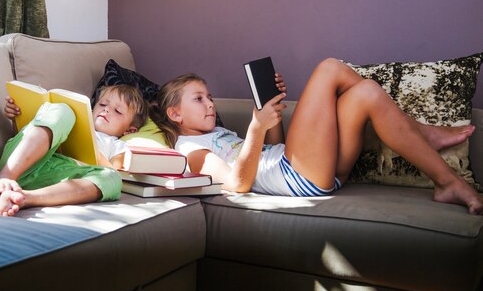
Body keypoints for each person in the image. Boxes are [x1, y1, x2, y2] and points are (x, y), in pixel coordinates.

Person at [151, 58, 483, 215]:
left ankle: (446, 182)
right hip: (298, 177)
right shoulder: (189, 148)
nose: (210, 104)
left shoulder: (217, 132)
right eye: (199, 99)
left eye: (209, 97)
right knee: (328, 68)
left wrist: (270, 114)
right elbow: (237, 184)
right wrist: (255, 126)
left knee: (366, 92)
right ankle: (421, 133)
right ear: (175, 115)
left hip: (310, 169)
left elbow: (271, 147)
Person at [0, 84, 148, 217]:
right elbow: (25, 139)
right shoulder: (73, 120)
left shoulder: (117, 145)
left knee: (112, 179)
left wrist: (92, 149)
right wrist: (16, 118)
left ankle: (21, 198)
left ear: (129, 130)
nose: (106, 110)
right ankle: (4, 177)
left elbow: (115, 171)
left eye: (117, 111)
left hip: (57, 177)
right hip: (24, 162)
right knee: (62, 110)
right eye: (103, 104)